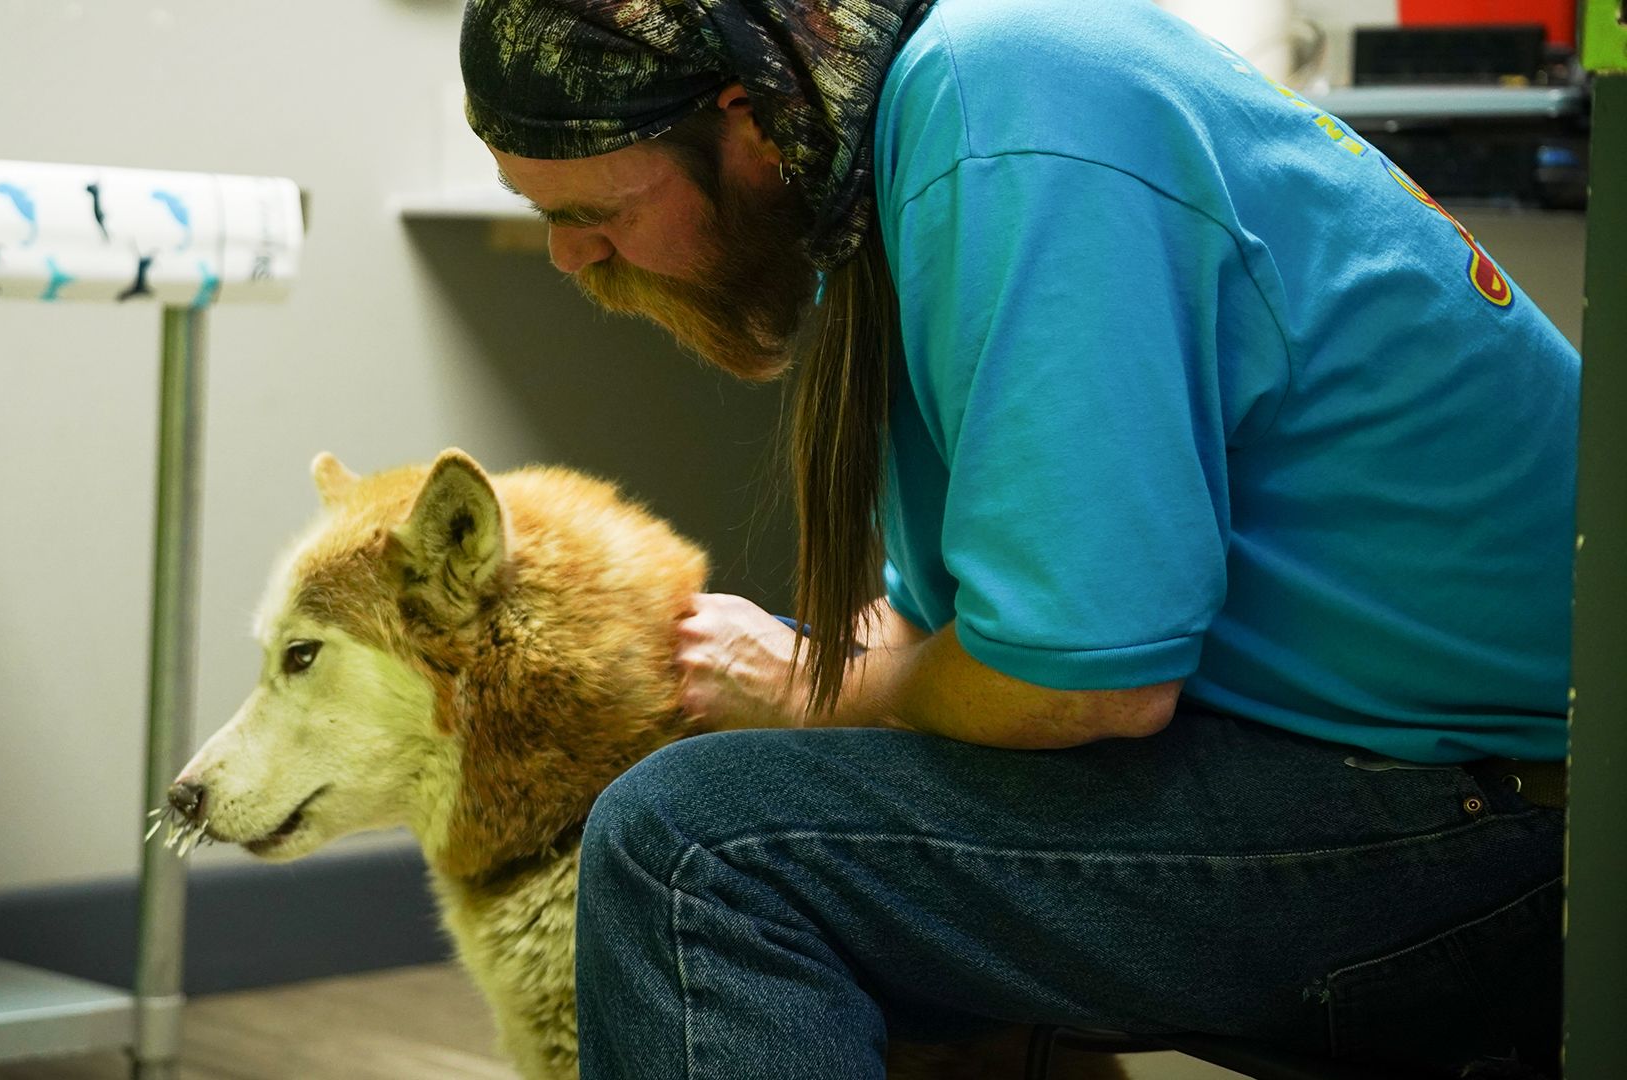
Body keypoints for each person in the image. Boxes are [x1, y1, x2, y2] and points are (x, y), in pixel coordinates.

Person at [458, 0, 1578, 1075]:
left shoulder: (1008, 124)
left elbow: (1074, 686)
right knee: (729, 801)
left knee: (692, 849)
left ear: (745, 117)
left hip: (1525, 835)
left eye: (590, 210)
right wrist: (795, 671)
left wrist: (813, 690)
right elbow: (958, 607)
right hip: (1409, 770)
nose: (570, 256)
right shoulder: (918, 116)